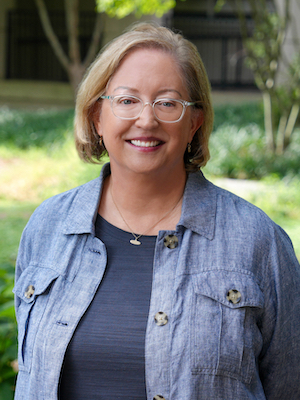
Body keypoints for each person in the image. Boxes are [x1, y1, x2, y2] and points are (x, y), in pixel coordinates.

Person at [13, 22, 300, 400]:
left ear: (194, 122)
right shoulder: (47, 227)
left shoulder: (257, 241)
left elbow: (288, 385)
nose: (146, 120)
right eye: (127, 100)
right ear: (97, 116)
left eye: (167, 103)